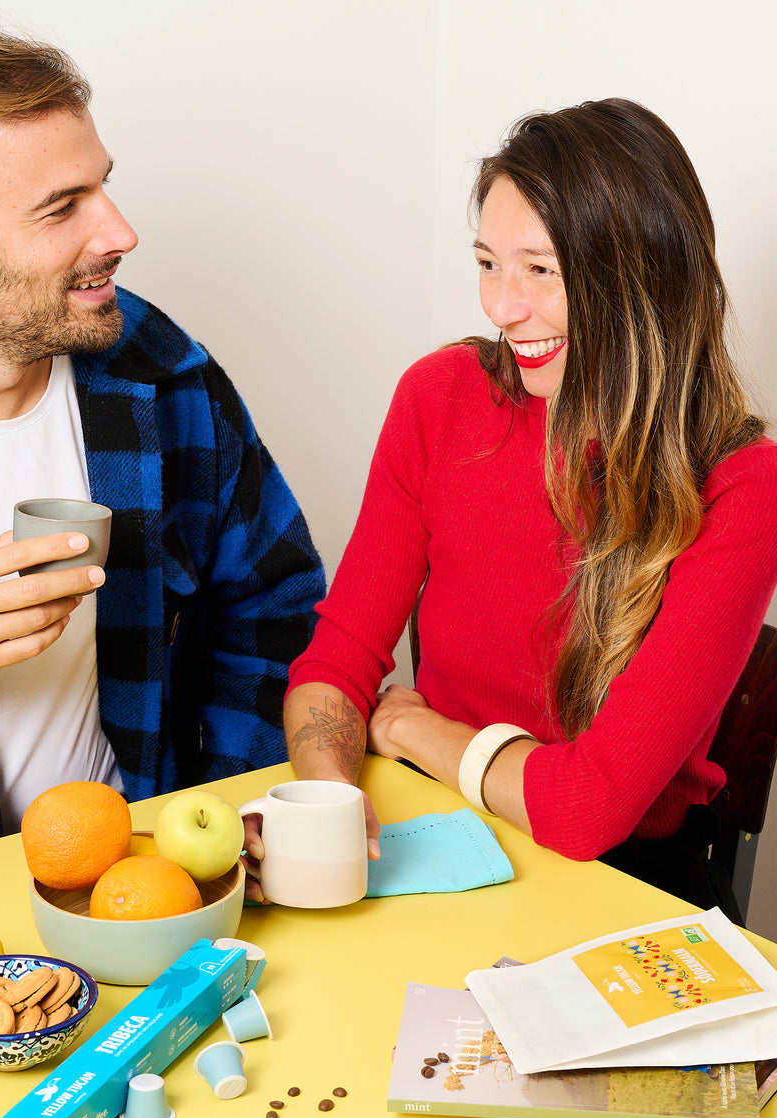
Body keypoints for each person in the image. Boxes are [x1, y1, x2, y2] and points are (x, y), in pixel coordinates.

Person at [0, 23, 324, 882]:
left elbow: (275, 614)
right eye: (62, 208)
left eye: (104, 188)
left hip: (142, 892)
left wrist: (216, 828)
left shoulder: (163, 374)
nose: (120, 231)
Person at [275, 98, 777, 916]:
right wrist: (332, 803)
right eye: (487, 263)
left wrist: (408, 730)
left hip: (622, 886)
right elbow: (335, 666)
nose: (501, 308)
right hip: (438, 833)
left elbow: (588, 811)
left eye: (540, 270)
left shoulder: (743, 483)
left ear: (642, 277)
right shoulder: (439, 399)